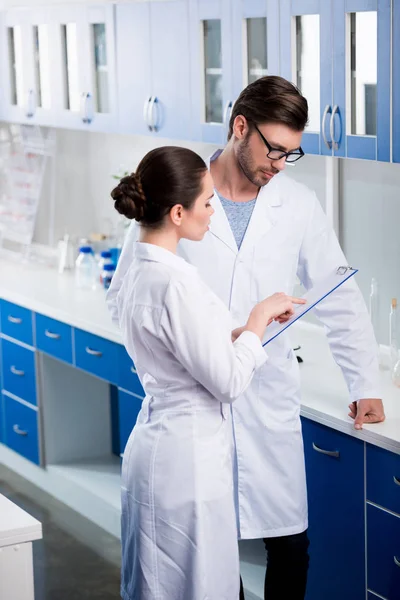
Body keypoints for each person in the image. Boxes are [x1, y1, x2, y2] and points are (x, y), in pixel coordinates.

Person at [108, 76, 385, 600]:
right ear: (241, 127)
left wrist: (363, 381)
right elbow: (132, 291)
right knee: (211, 557)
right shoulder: (180, 193)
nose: (279, 164)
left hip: (267, 395)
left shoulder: (297, 203)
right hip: (196, 407)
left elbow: (337, 292)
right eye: (274, 149)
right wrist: (193, 355)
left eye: (291, 154)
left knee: (290, 547)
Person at [111, 146, 305, 600]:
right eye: (206, 202)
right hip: (186, 462)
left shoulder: (142, 269)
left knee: (160, 584)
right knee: (195, 587)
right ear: (178, 213)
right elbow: (228, 382)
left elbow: (179, 349)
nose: (213, 210)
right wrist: (257, 321)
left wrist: (238, 335)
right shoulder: (175, 283)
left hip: (159, 448)